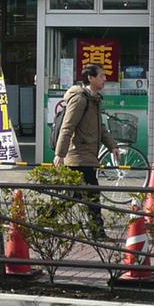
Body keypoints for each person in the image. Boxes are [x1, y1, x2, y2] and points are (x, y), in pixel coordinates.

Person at [53, 64, 117, 235]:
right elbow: (67, 127)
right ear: (91, 78)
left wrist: (113, 146)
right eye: (102, 76)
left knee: (76, 195)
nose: (105, 79)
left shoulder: (94, 99)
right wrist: (60, 153)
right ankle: (98, 232)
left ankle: (46, 216)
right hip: (78, 155)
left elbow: (100, 128)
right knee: (93, 194)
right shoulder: (80, 99)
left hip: (87, 155)